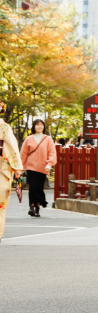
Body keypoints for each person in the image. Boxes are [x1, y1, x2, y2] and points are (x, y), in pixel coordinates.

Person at [19, 119, 56, 218]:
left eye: (41, 125)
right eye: (37, 125)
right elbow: (23, 154)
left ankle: (37, 207)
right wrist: (20, 167)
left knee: (39, 188)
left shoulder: (47, 139)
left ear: (44, 127)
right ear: (34, 127)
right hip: (30, 167)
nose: (40, 127)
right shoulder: (28, 139)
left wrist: (49, 164)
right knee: (32, 187)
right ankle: (31, 206)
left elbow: (52, 153)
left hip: (43, 167)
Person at [0, 101, 24, 243]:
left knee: (0, 199)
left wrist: (16, 167)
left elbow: (12, 147)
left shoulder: (4, 127)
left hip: (1, 166)